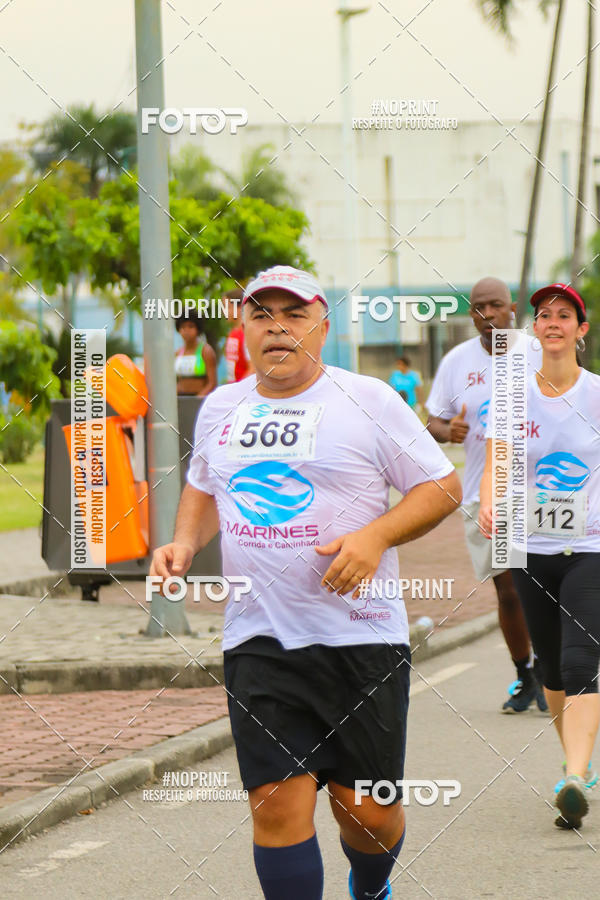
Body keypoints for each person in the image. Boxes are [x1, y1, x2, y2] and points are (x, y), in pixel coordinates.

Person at [151, 265, 462, 899]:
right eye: (261, 315)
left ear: (322, 326)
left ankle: (370, 885)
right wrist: (184, 542)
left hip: (362, 640)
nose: (278, 328)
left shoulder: (369, 400)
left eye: (294, 315)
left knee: (367, 814)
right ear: (244, 328)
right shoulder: (221, 406)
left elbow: (442, 486)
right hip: (259, 639)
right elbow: (205, 487)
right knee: (275, 805)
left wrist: (375, 537)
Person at [479, 283, 600, 829]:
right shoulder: (512, 396)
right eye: (544, 315)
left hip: (590, 546)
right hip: (529, 544)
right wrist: (488, 502)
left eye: (564, 315)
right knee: (550, 666)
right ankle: (576, 763)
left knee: (579, 662)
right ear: (535, 329)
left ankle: (574, 777)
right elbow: (496, 462)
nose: (553, 322)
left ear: (581, 330)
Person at [427, 276, 546, 713]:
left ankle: (550, 669)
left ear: (512, 308)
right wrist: (448, 431)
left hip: (544, 489)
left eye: (496, 305)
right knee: (509, 590)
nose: (488, 314)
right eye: (479, 307)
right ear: (472, 313)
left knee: (547, 585)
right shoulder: (457, 362)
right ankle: (525, 675)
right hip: (489, 492)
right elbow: (434, 421)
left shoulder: (538, 352)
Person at [174, 312, 217, 396]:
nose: (186, 331)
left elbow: (212, 383)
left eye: (190, 326)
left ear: (198, 329)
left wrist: (198, 399)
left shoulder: (206, 351)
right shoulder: (178, 353)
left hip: (199, 398)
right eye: (183, 327)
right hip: (180, 398)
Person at [224, 287, 255, 383]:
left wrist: (238, 389)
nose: (224, 311)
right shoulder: (233, 332)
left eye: (227, 307)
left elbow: (252, 369)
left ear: (239, 308)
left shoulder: (247, 333)